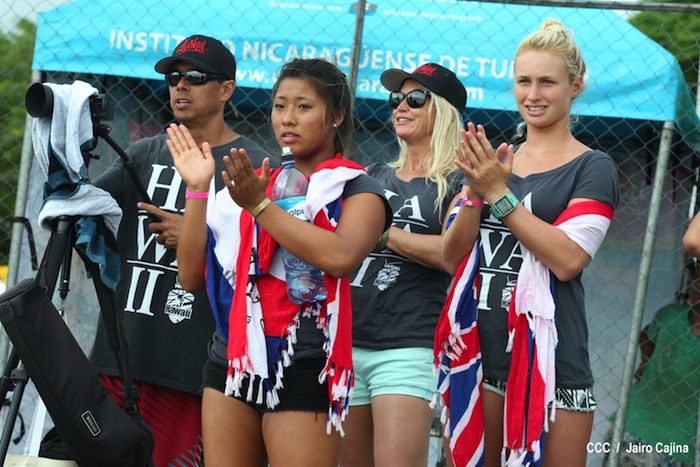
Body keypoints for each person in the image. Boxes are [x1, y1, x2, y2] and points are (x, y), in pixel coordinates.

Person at [169, 57, 392, 467]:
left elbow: (339, 257)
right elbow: (190, 277)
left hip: (305, 363)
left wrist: (260, 206)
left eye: (304, 106)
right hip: (232, 359)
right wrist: (198, 189)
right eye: (279, 106)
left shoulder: (358, 189)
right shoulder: (251, 185)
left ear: (337, 115)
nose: (288, 118)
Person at [85, 35, 274, 466]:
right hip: (122, 356)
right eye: (174, 77)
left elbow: (267, 265)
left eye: (196, 77)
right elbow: (82, 211)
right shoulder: (143, 152)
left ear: (226, 89)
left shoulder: (252, 164)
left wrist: (196, 233)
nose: (181, 85)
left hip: (194, 368)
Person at [440, 19, 619, 466]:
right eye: (524, 81)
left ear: (575, 86)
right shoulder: (494, 161)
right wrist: (476, 192)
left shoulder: (593, 167)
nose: (533, 94)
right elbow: (451, 255)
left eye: (547, 82)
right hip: (478, 356)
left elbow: (568, 258)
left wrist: (498, 194)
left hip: (555, 367)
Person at [339, 63, 467, 467]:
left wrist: (380, 232)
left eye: (415, 98)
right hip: (348, 339)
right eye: (397, 98)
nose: (400, 106)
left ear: (444, 112)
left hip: (407, 347)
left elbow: (450, 253)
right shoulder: (372, 175)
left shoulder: (461, 182)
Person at [604, 259, 700, 467]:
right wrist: (645, 361)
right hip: (633, 424)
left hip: (678, 444)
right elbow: (646, 334)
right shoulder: (670, 315)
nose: (698, 284)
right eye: (696, 278)